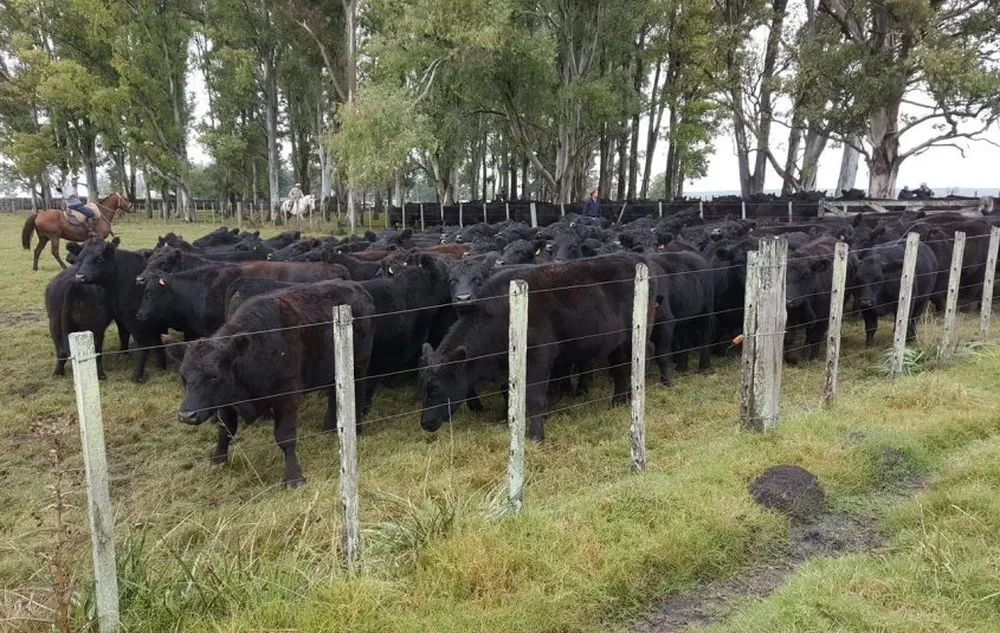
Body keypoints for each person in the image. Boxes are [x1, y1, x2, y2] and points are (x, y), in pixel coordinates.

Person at [59, 172, 97, 236]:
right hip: (76, 206)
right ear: (71, 180)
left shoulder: (66, 186)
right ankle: (91, 230)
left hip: (71, 205)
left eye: (75, 179)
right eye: (74, 179)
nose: (75, 181)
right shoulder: (69, 186)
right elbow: (69, 195)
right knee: (91, 213)